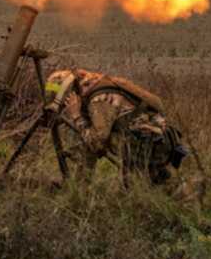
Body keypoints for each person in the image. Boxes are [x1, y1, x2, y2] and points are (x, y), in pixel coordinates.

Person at [44, 68, 189, 187]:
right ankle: (79, 186)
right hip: (154, 141)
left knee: (92, 140)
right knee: (160, 186)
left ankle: (80, 188)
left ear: (71, 93)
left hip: (149, 146)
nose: (65, 107)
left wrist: (76, 116)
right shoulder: (96, 84)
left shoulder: (99, 100)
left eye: (64, 102)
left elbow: (97, 143)